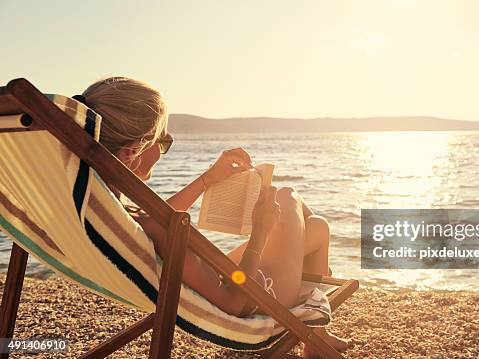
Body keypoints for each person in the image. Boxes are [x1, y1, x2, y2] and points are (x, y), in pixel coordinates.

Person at [78, 76, 350, 358]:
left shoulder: (104, 203)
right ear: (132, 151)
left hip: (230, 278)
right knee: (287, 196)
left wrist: (207, 179)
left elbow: (156, 220)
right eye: (163, 142)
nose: (163, 150)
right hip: (257, 296)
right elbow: (235, 303)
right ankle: (315, 333)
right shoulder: (143, 223)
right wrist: (259, 230)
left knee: (317, 228)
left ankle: (317, 336)